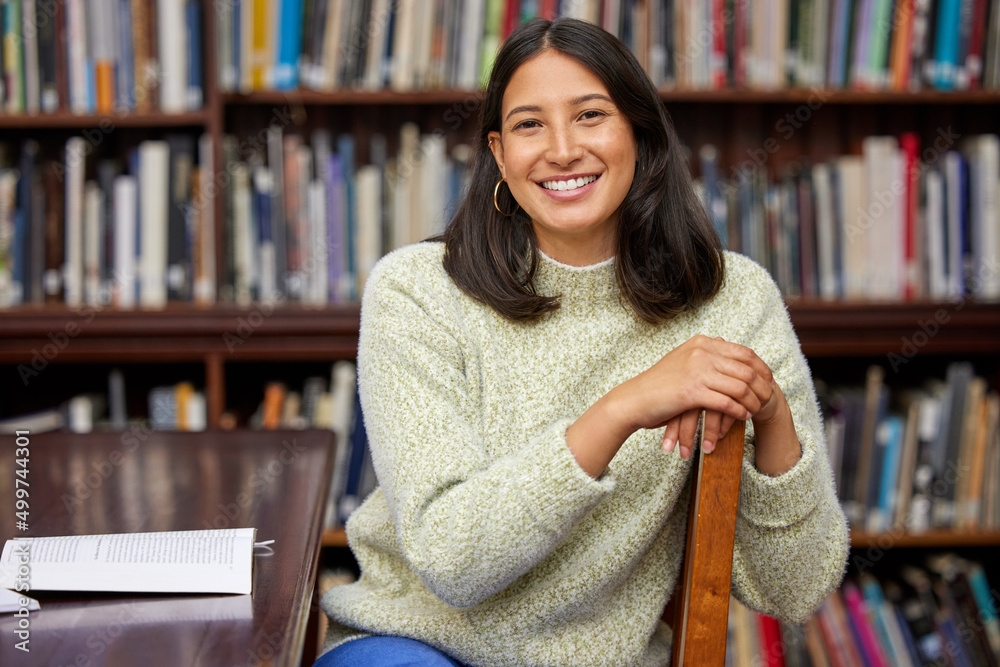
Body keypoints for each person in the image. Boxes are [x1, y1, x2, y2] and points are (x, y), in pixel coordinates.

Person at [316, 17, 849, 667]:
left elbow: (794, 589)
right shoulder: (417, 290)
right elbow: (452, 559)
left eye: (590, 115)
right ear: (499, 153)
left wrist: (768, 412)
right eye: (529, 124)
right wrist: (624, 407)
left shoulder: (734, 300)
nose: (562, 149)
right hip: (417, 647)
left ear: (638, 132)